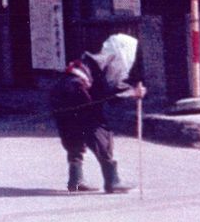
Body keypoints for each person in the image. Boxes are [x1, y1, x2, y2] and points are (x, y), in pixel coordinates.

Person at [50, 33, 145, 193]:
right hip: (76, 95)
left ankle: (76, 180)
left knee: (73, 134)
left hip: (61, 96)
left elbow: (108, 90)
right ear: (123, 53)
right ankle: (112, 180)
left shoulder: (94, 61)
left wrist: (130, 91)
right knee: (99, 131)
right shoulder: (102, 64)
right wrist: (133, 92)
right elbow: (109, 92)